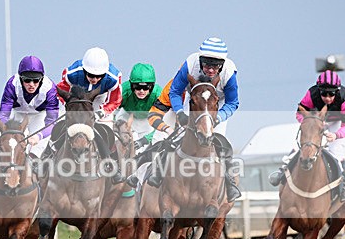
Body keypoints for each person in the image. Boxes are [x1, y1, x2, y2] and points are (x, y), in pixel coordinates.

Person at [148, 37, 242, 202]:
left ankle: (229, 183)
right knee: (173, 139)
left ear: (222, 65)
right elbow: (175, 91)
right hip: (194, 105)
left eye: (215, 66)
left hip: (215, 109)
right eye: (206, 65)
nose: (211, 70)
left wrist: (218, 118)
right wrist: (179, 113)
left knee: (222, 144)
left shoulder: (229, 72)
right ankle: (157, 172)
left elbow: (233, 102)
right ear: (200, 61)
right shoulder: (190, 65)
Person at [0, 55, 59, 200]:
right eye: (27, 80)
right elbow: (3, 115)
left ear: (41, 79)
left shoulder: (51, 89)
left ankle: (44, 196)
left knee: (37, 153)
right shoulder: (12, 84)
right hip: (18, 114)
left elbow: (52, 121)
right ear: (20, 78)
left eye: (36, 80)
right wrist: (7, 133)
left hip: (38, 116)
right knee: (5, 149)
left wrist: (38, 136)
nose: (31, 84)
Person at [269, 69, 345, 202]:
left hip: (335, 124)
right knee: (301, 146)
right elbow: (299, 113)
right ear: (318, 90)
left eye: (331, 94)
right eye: (324, 93)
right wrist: (310, 123)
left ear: (337, 91)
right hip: (314, 121)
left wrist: (336, 135)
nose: (327, 98)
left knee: (337, 152)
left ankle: (344, 187)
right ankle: (282, 171)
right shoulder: (311, 93)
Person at [47, 47, 126, 184]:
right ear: (84, 70)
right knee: (69, 127)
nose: (94, 79)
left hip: (101, 99)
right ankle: (48, 155)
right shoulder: (71, 74)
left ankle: (113, 166)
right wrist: (71, 107)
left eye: (98, 76)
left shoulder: (113, 78)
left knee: (106, 131)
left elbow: (115, 100)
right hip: (77, 99)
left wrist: (102, 112)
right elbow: (61, 92)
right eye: (90, 75)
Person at [116, 62, 162, 148]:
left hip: (147, 121)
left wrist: (146, 139)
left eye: (145, 87)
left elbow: (163, 122)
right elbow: (111, 110)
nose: (141, 91)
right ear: (131, 85)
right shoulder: (124, 90)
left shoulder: (158, 95)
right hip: (126, 115)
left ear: (151, 86)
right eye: (137, 87)